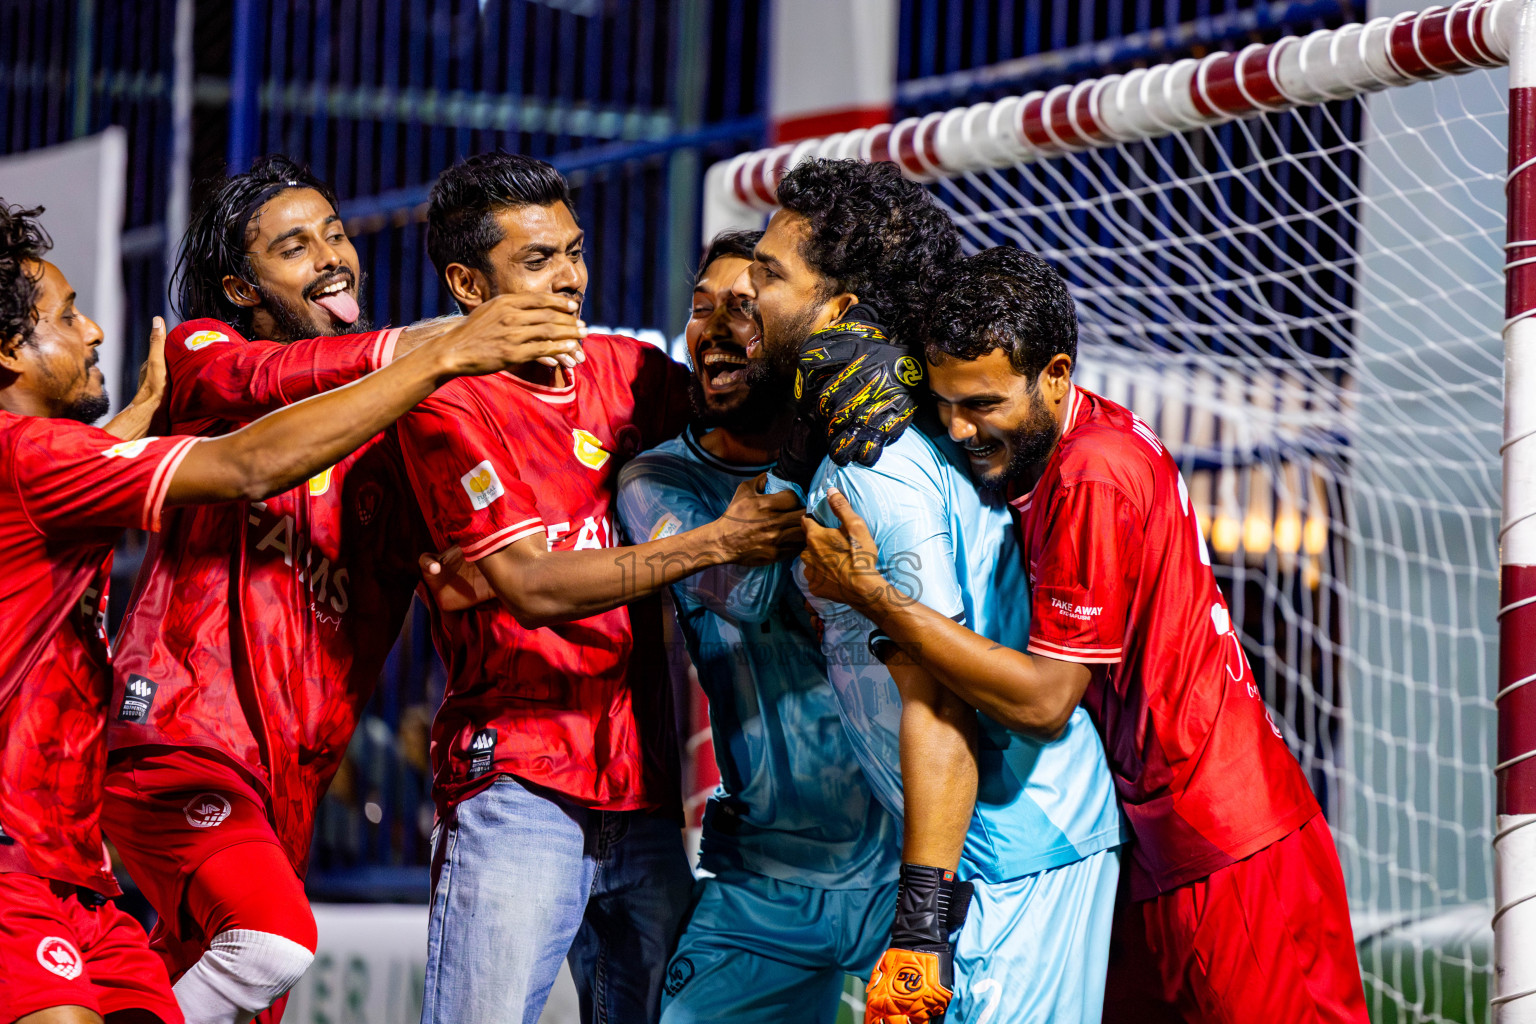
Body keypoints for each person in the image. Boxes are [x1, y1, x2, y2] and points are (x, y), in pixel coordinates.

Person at [0, 199, 579, 1024]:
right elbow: (245, 456)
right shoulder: (206, 352)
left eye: (336, 234)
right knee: (271, 940)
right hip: (175, 746)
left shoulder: (397, 432)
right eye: (295, 247)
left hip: (211, 816)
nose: (331, 256)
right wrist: (439, 345)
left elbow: (482, 564)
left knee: (243, 974)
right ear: (241, 285)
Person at [801, 245, 1369, 1023]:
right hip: (1158, 837)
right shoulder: (1065, 438)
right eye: (944, 402)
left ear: (1056, 374)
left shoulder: (1090, 476)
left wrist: (872, 596)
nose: (961, 427)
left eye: (984, 404)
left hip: (1227, 843)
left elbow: (1044, 703)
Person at [397, 151, 822, 1024]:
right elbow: (531, 587)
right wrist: (715, 543)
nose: (571, 281)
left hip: (646, 798)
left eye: (575, 252)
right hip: (518, 786)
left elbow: (742, 409)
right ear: (468, 284)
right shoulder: (450, 401)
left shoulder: (628, 372)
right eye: (538, 261)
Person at [738, 159, 1124, 1024]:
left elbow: (938, 695)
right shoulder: (874, 433)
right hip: (987, 857)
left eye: (769, 275)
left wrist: (922, 928)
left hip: (1008, 864)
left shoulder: (882, 470)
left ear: (839, 312)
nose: (745, 295)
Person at [613, 230, 902, 1023]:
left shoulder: (876, 459)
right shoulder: (658, 479)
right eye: (700, 309)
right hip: (761, 881)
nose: (713, 326)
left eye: (746, 307)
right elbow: (739, 587)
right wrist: (802, 452)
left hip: (905, 868)